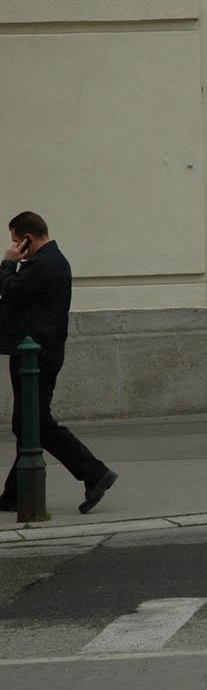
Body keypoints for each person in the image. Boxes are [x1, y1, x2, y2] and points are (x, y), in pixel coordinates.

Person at [0, 212, 118, 515]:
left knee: (36, 423)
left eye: (16, 241)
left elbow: (11, 290)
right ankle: (14, 494)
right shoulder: (47, 262)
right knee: (26, 423)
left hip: (36, 357)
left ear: (28, 238)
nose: (13, 246)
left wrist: (8, 262)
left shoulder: (45, 264)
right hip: (36, 353)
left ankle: (94, 473)